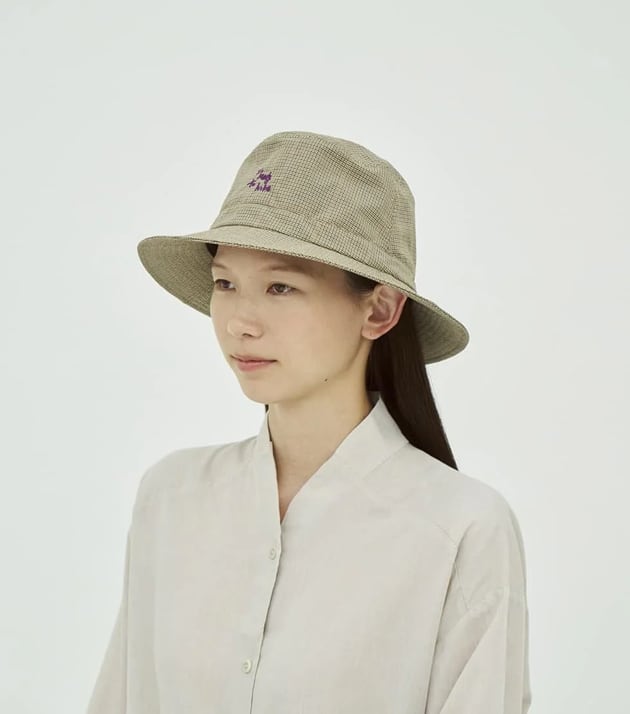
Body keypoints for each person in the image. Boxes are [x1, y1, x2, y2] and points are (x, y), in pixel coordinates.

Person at [86, 130, 532, 713]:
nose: (240, 323)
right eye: (225, 283)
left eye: (281, 286)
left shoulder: (461, 530)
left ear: (379, 309)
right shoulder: (172, 497)